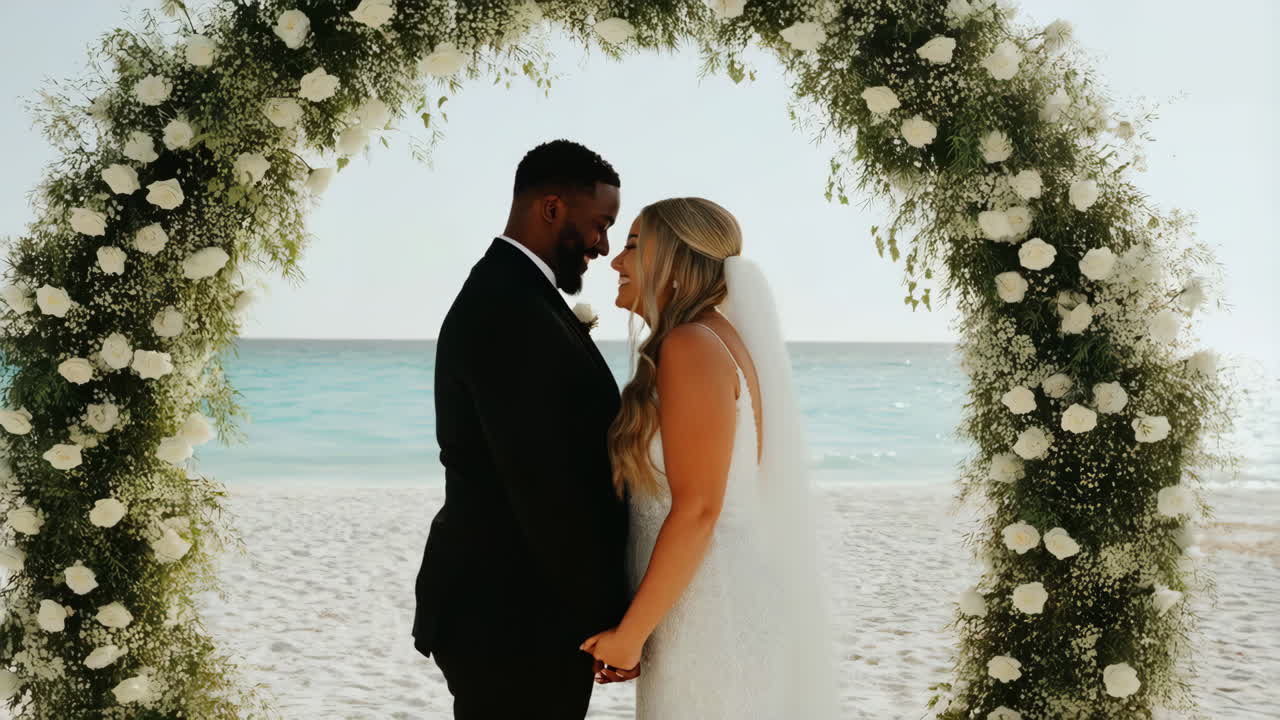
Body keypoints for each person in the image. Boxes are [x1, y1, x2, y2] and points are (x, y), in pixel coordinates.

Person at [580, 197, 840, 719]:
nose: (615, 262)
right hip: (700, 606)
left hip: (710, 612)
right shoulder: (713, 337)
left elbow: (700, 508)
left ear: (675, 260)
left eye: (632, 245)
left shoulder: (690, 345)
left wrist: (630, 637)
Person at [412, 140, 633, 719]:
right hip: (510, 615)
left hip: (520, 606)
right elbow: (545, 486)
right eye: (600, 224)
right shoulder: (507, 306)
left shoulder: (522, 293)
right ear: (553, 208)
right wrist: (607, 620)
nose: (604, 245)